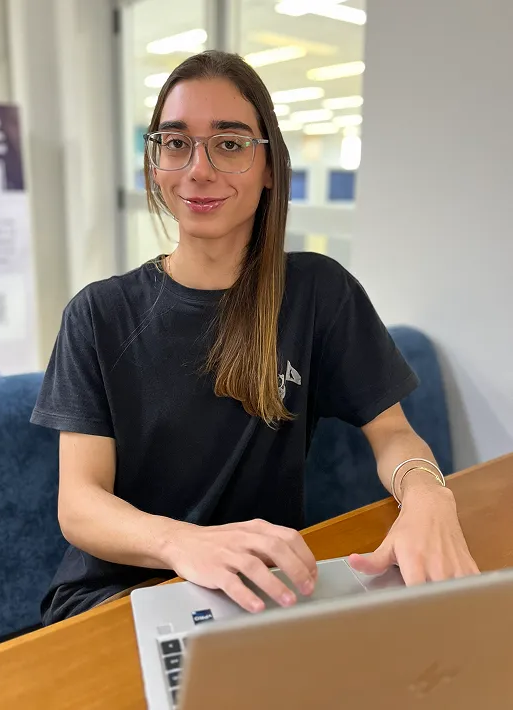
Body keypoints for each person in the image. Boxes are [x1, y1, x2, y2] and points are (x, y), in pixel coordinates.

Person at [30, 50, 478, 625]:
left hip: (257, 594)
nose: (199, 169)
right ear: (154, 163)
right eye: (175, 142)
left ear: (270, 166)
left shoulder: (318, 293)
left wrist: (427, 494)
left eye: (230, 143)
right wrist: (184, 544)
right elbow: (80, 503)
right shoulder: (98, 314)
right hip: (115, 598)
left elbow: (392, 432)